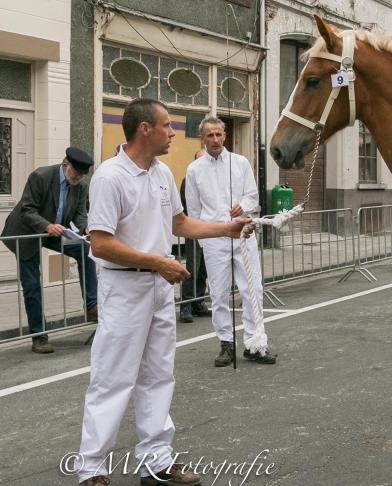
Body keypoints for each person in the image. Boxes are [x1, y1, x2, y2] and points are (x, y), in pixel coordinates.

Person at [76, 99, 252, 486]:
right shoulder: (109, 177)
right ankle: (91, 468)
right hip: (124, 288)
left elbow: (180, 222)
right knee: (113, 378)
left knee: (158, 375)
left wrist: (227, 229)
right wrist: (158, 262)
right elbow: (101, 244)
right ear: (144, 129)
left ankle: (155, 460)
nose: (173, 132)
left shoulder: (161, 174)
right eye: (167, 125)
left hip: (158, 287)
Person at [185, 116, 277, 367]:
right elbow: (193, 211)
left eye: (218, 134)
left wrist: (243, 206)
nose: (215, 140)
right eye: (209, 136)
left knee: (253, 290)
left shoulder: (240, 163)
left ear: (225, 136)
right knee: (219, 293)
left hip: (243, 233)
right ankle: (226, 343)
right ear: (202, 139)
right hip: (214, 238)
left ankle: (256, 343)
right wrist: (204, 240)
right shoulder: (194, 170)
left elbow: (252, 195)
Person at [1, 148, 98, 353]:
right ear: (65, 166)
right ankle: (39, 336)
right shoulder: (41, 176)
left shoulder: (80, 186)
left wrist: (86, 227)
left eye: (81, 176)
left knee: (85, 250)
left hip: (55, 230)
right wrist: (46, 226)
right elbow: (28, 209)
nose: (77, 178)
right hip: (27, 232)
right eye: (74, 174)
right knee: (33, 284)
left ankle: (92, 306)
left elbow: (80, 215)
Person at [179, 148, 211, 323]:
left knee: (204, 268)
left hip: (209, 229)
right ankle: (186, 304)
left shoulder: (212, 181)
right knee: (192, 267)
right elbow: (187, 205)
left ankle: (199, 301)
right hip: (194, 228)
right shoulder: (188, 180)